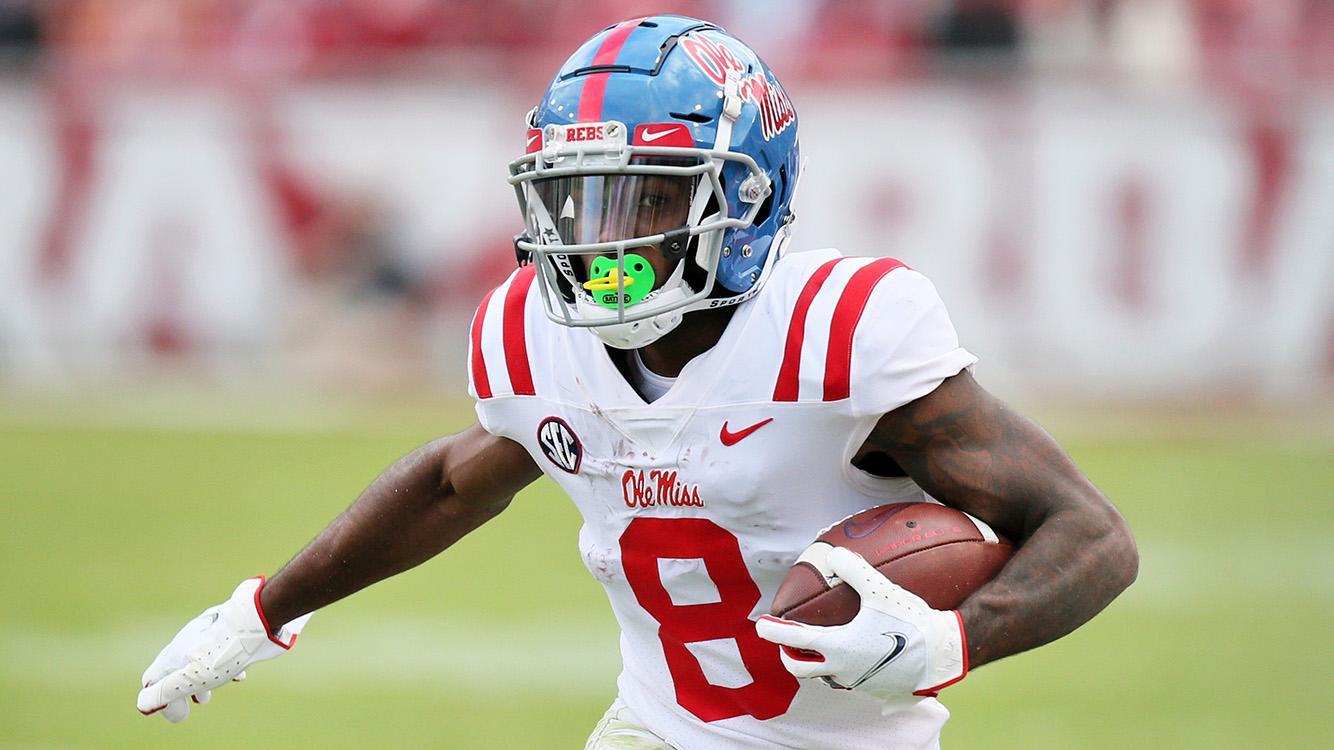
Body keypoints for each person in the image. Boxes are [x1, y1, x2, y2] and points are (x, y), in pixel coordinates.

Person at [136, 15, 1138, 749]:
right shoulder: (538, 338)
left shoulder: (839, 335)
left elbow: (1090, 537)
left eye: (640, 201)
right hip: (652, 734)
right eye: (576, 207)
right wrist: (262, 611)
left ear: (745, 198)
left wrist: (948, 641)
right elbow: (452, 483)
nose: (601, 243)